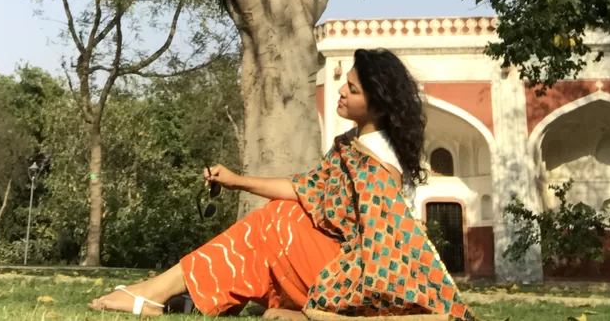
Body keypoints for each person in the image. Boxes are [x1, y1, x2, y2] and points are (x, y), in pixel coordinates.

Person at [90, 48, 475, 319]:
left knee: (279, 221)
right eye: (346, 81)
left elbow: (381, 244)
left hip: (355, 280)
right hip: (335, 263)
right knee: (284, 215)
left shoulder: (378, 163)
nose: (341, 90)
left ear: (379, 106)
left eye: (352, 90)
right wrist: (237, 181)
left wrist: (340, 306)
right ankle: (177, 292)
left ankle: (157, 292)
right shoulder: (355, 145)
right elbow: (306, 189)